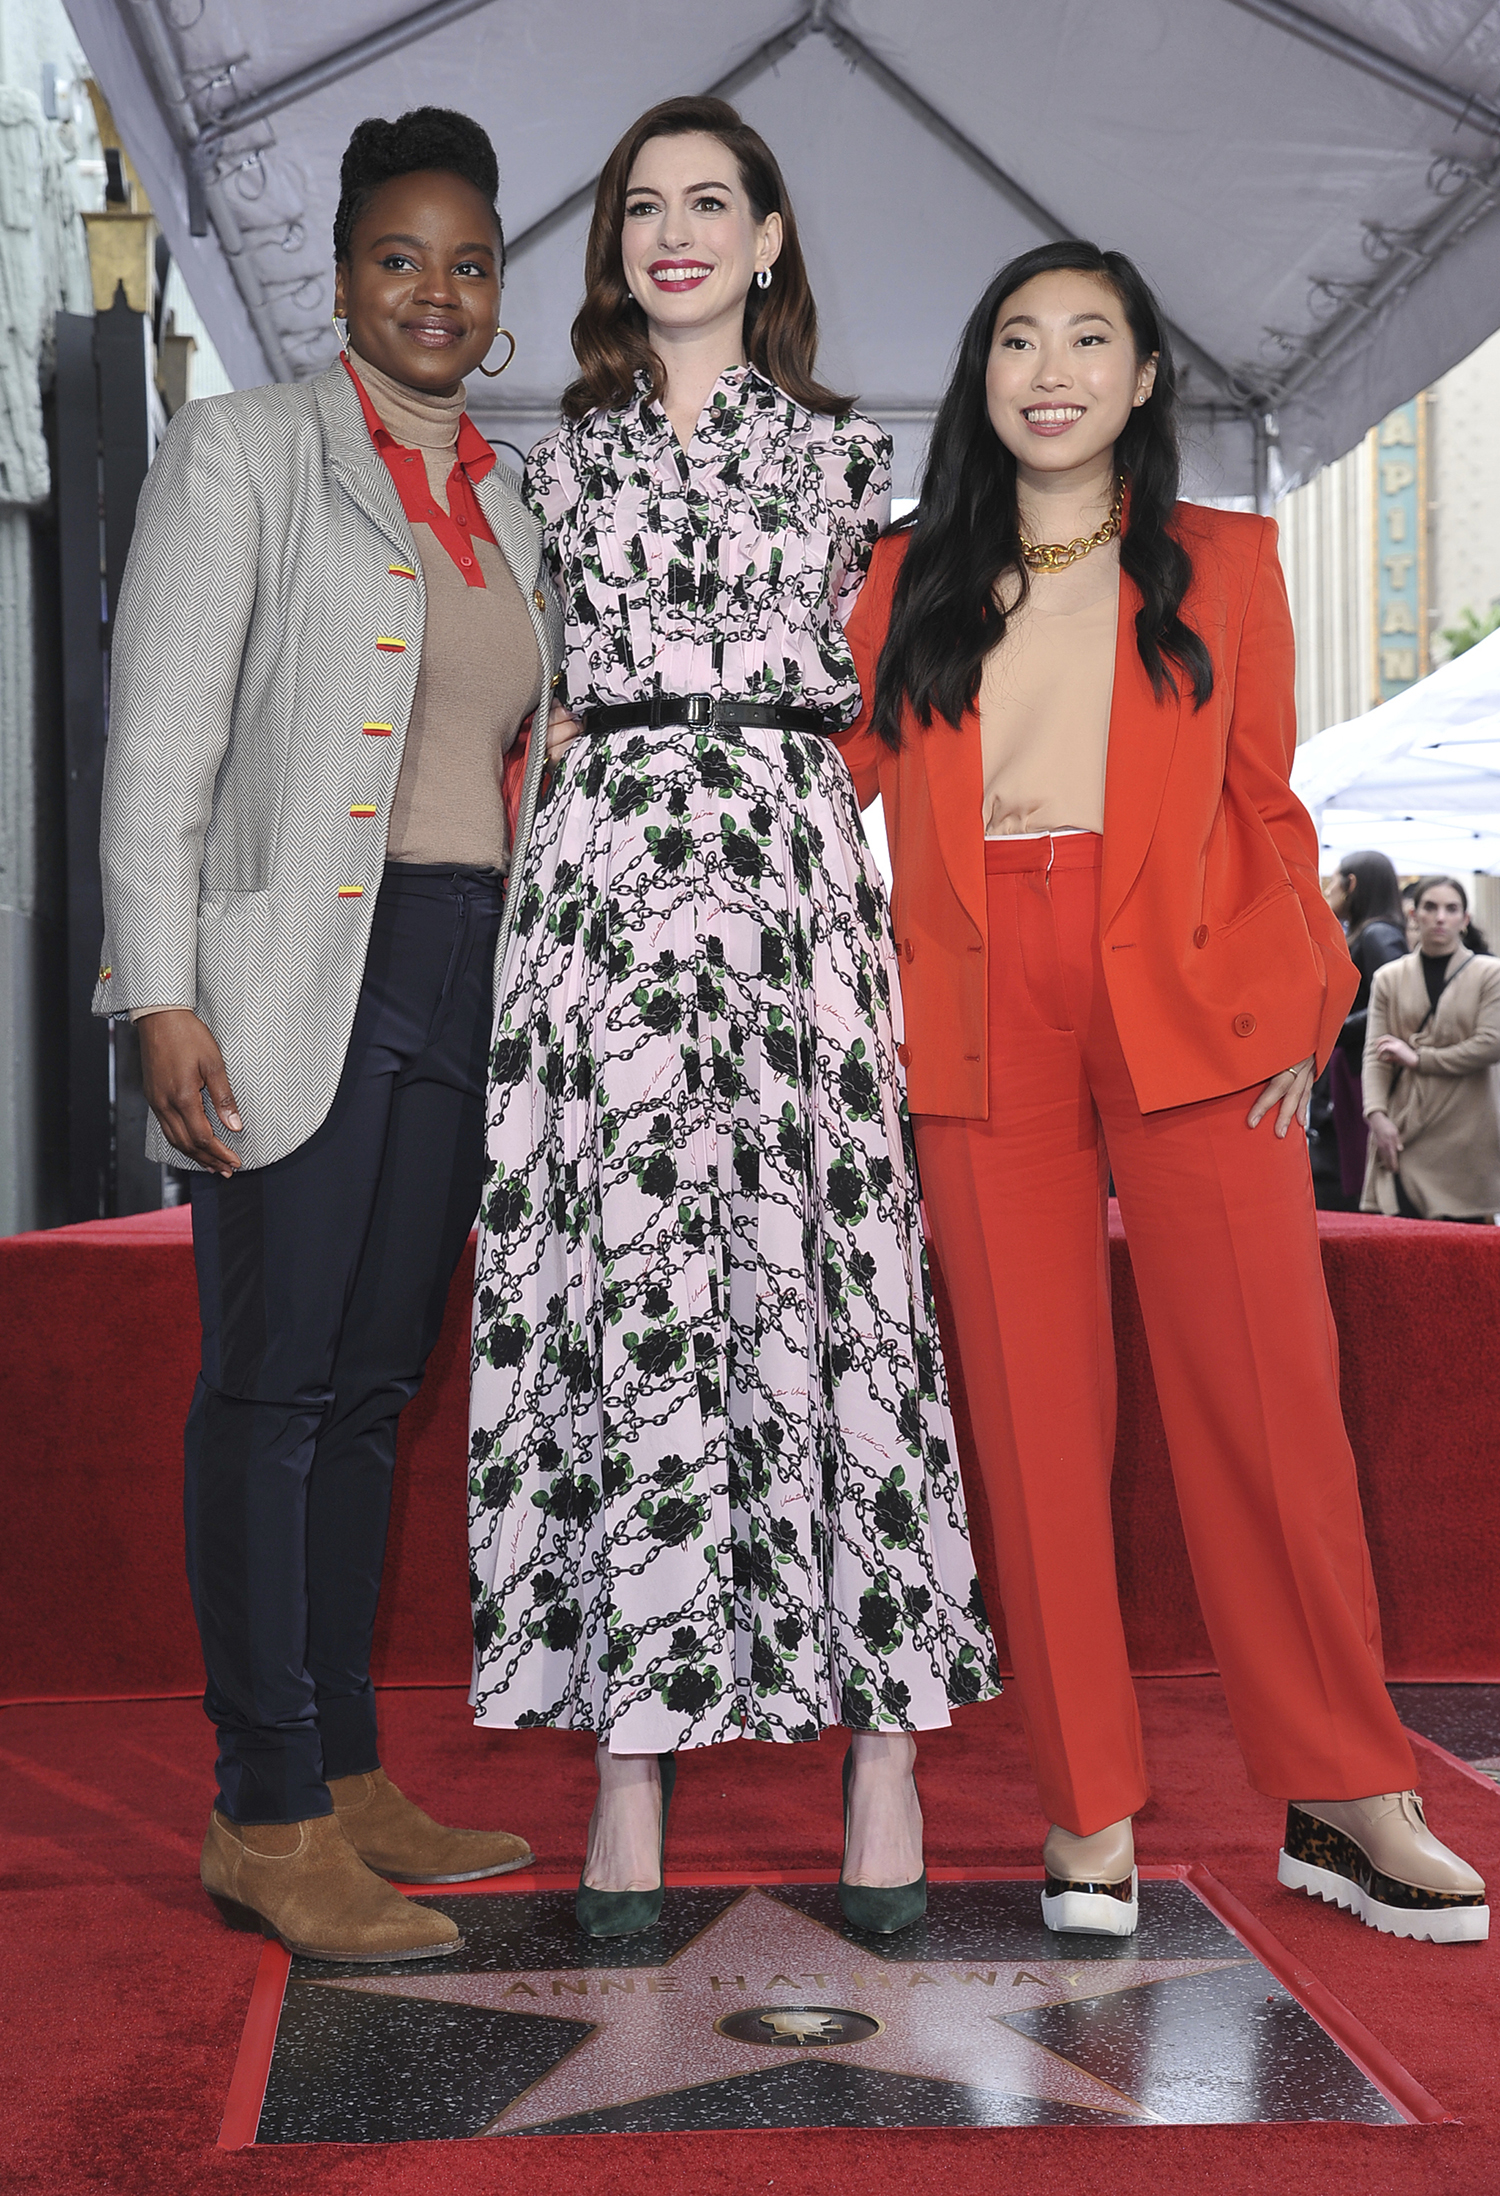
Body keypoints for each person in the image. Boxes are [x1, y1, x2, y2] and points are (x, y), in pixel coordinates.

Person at [834, 240, 1486, 1944]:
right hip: (979, 1009)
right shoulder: (898, 577)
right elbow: (792, 786)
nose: (1052, 365)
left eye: (1092, 337)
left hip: (1197, 999)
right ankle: (1087, 1809)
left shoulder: (1229, 563)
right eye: (1018, 338)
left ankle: (1348, 1792)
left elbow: (1271, 810)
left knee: (1267, 1395)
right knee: (1037, 1422)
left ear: (1139, 381)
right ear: (983, 377)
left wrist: (1312, 996)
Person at [467, 94, 998, 1939]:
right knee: (616, 1298)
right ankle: (628, 1761)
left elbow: (937, 717)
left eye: (714, 204)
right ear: (613, 247)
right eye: (644, 208)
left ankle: (888, 1752)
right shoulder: (551, 463)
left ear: (771, 240)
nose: (675, 233)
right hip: (599, 898)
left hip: (788, 896)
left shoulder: (860, 466)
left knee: (826, 1287)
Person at [94, 107, 568, 1963]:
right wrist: (160, 989)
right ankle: (265, 1810)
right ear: (343, 273)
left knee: (374, 1390)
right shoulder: (243, 453)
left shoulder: (509, 501)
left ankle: (354, 1774)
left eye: (465, 264)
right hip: (298, 972)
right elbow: (160, 748)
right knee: (272, 1386)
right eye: (400, 259)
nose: (434, 293)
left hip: (468, 966)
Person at [1363, 874, 1500, 1221]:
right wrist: (1376, 1116)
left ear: (1465, 920)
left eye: (1451, 909)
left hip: (1468, 1132)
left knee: (1464, 1252)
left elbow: (1491, 1043)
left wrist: (1420, 1058)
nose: (1441, 917)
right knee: (1402, 1248)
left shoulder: (1489, 974)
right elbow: (1374, 1054)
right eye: (1431, 907)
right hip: (1405, 1125)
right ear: (1414, 914)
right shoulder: (1388, 978)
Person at [1314, 850, 1407, 1206]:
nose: (1328, 890)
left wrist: (1335, 1029)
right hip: (1352, 1067)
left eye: (1333, 881)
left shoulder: (1377, 935)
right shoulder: (1370, 933)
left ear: (1351, 884)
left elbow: (1392, 1006)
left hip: (1359, 1073)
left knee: (1350, 1175)